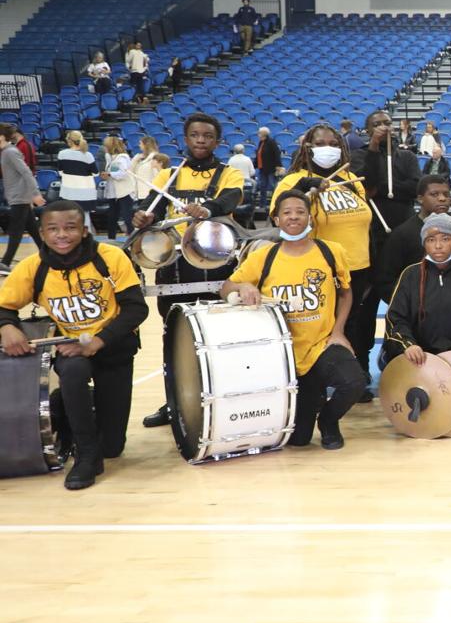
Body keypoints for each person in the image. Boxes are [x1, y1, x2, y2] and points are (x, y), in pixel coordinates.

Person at [0, 200, 146, 489]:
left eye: (70, 228)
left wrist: (98, 341)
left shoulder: (110, 257)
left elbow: (136, 309)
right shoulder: (34, 267)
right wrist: (6, 327)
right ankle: (86, 455)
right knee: (75, 371)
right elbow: (5, 307)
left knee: (113, 447)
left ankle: (66, 409)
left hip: (114, 346)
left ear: (84, 229)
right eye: (53, 229)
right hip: (70, 349)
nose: (61, 235)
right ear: (41, 233)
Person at [223, 190, 365, 449]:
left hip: (321, 344)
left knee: (354, 382)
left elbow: (346, 292)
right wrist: (242, 287)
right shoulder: (264, 258)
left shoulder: (331, 251)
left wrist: (338, 331)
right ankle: (310, 402)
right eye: (287, 212)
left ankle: (329, 421)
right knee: (299, 441)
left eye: (300, 212)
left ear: (310, 218)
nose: (294, 217)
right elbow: (226, 287)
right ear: (276, 219)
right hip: (283, 356)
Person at [135, 113, 246, 428]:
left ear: (217, 141)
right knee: (175, 340)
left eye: (207, 136)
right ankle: (175, 402)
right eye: (195, 135)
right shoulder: (168, 175)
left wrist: (209, 209)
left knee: (219, 339)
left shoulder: (229, 173)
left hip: (217, 270)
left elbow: (231, 198)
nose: (201, 140)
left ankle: (223, 397)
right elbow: (151, 206)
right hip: (174, 270)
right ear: (186, 139)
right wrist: (141, 216)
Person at [272, 123, 376, 379]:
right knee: (323, 327)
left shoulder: (352, 181)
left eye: (334, 144)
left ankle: (354, 375)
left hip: (357, 266)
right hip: (318, 269)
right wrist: (308, 188)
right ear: (307, 148)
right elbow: (281, 218)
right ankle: (317, 380)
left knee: (356, 326)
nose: (328, 148)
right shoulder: (292, 180)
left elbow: (364, 223)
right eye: (320, 144)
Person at [381, 214, 451, 366]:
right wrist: (408, 345)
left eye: (445, 239)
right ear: (424, 244)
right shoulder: (410, 275)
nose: (438, 246)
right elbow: (396, 319)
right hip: (419, 359)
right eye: (431, 240)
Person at [375, 174, 451, 302]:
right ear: (420, 199)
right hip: (416, 308)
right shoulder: (402, 234)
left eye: (446, 194)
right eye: (434, 194)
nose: (442, 199)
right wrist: (410, 305)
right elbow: (385, 282)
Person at [353, 110, 422, 252]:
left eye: (387, 123)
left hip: (405, 223)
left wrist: (380, 189)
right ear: (368, 131)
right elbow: (365, 184)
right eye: (376, 124)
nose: (383, 127)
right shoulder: (358, 156)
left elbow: (415, 188)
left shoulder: (407, 156)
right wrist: (374, 146)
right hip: (374, 227)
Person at [0, 124, 45, 271]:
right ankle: (48, 254)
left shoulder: (10, 152)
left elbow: (26, 172)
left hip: (20, 195)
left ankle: (5, 262)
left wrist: (35, 193)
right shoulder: (6, 151)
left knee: (16, 230)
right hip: (18, 195)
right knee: (32, 228)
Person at [56, 131, 99, 226]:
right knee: (85, 217)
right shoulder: (88, 155)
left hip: (68, 191)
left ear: (69, 141)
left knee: (68, 217)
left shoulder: (62, 154)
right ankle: (87, 238)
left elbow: (60, 172)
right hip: (85, 192)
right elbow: (95, 173)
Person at [100, 136, 135, 238]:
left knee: (127, 217)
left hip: (124, 191)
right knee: (112, 217)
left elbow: (122, 173)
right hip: (113, 192)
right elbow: (114, 172)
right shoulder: (111, 158)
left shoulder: (122, 158)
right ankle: (111, 238)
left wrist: (109, 174)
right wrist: (107, 175)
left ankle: (133, 238)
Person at [255, 127, 283, 213]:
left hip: (271, 169)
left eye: (259, 133)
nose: (258, 134)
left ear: (264, 134)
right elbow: (258, 155)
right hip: (262, 168)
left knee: (273, 186)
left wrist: (278, 166)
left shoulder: (271, 142)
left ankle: (275, 204)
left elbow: (277, 154)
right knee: (262, 186)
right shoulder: (261, 142)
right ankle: (262, 205)